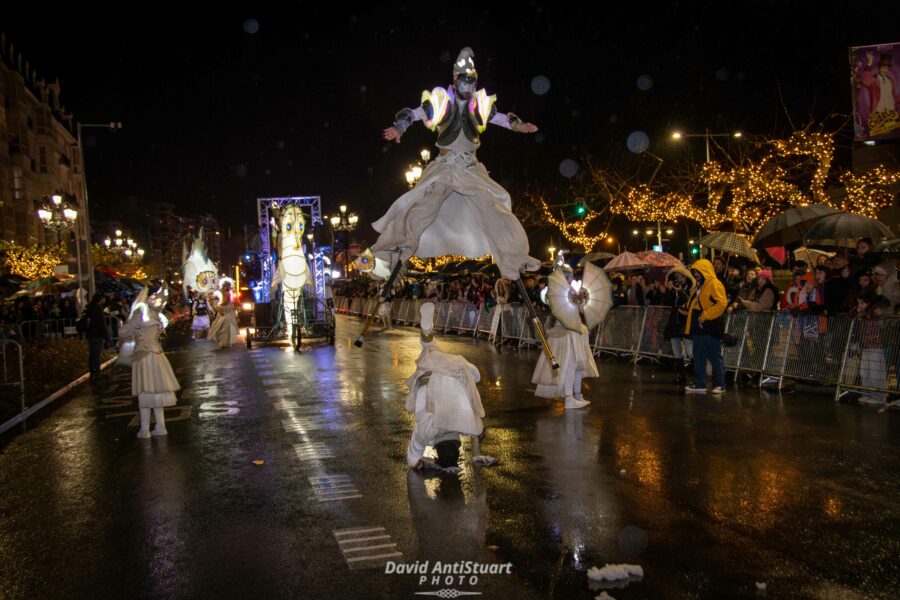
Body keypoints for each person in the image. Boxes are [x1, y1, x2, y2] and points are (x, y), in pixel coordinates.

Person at [405, 302, 485, 470]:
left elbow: (479, 427)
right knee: (429, 353)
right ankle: (427, 335)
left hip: (454, 376)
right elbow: (413, 458)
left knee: (468, 374)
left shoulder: (468, 428)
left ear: (457, 444)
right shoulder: (426, 432)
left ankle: (428, 335)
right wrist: (421, 464)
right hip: (427, 382)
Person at [532, 264, 602, 409]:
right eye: (568, 276)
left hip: (576, 331)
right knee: (570, 365)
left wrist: (580, 301)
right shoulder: (556, 292)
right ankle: (569, 397)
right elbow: (556, 308)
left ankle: (576, 394)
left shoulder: (569, 291)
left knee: (577, 365)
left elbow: (579, 309)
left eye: (571, 276)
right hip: (565, 332)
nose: (571, 278)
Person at [119, 287, 181, 438]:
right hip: (158, 356)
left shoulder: (141, 314)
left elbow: (123, 332)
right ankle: (160, 426)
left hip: (144, 356)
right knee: (157, 391)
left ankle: (145, 429)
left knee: (145, 390)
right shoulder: (158, 315)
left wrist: (126, 322)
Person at [683, 259, 727, 394]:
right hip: (700, 327)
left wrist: (704, 316)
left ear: (705, 271)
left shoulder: (714, 284)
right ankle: (700, 383)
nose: (695, 274)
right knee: (699, 356)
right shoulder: (700, 285)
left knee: (714, 356)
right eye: (694, 272)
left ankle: (720, 384)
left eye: (698, 271)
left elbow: (721, 303)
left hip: (709, 326)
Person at [663, 268, 695, 383]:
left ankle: (697, 377)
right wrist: (669, 290)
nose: (679, 280)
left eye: (681, 277)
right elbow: (666, 301)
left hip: (685, 323)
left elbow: (688, 301)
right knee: (676, 349)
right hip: (674, 323)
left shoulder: (690, 289)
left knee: (690, 350)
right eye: (677, 278)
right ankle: (681, 376)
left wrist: (681, 291)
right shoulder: (673, 290)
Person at [81, 293, 110, 381]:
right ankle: (97, 372)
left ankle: (92, 371)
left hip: (90, 334)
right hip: (97, 334)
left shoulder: (88, 307)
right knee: (97, 354)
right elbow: (101, 324)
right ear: (100, 299)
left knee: (92, 354)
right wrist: (106, 336)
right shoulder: (98, 309)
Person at [208, 279, 239, 349]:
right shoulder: (219, 292)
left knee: (228, 328)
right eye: (228, 286)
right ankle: (222, 342)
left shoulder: (228, 292)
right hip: (223, 313)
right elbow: (221, 303)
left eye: (229, 286)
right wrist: (221, 307)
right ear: (224, 285)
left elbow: (230, 302)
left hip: (228, 312)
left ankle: (226, 342)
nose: (229, 287)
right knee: (223, 328)